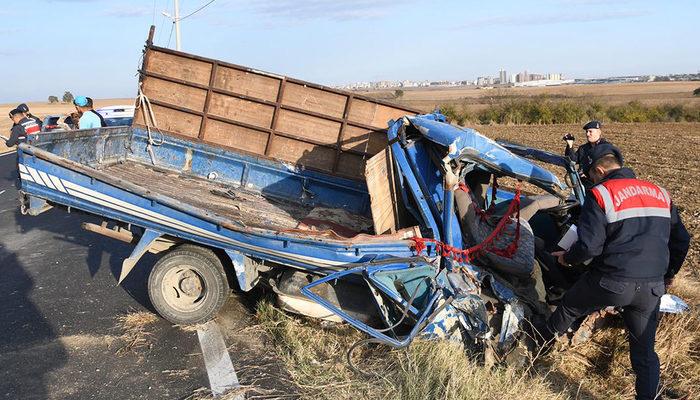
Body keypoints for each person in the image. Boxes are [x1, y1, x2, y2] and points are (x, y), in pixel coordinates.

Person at [541, 144, 690, 400]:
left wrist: (566, 259)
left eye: (590, 175)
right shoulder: (661, 193)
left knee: (569, 307)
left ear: (599, 170)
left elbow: (589, 246)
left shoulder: (601, 193)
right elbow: (682, 241)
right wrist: (668, 274)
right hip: (652, 287)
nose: (590, 180)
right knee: (644, 353)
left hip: (612, 282)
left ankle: (536, 349)